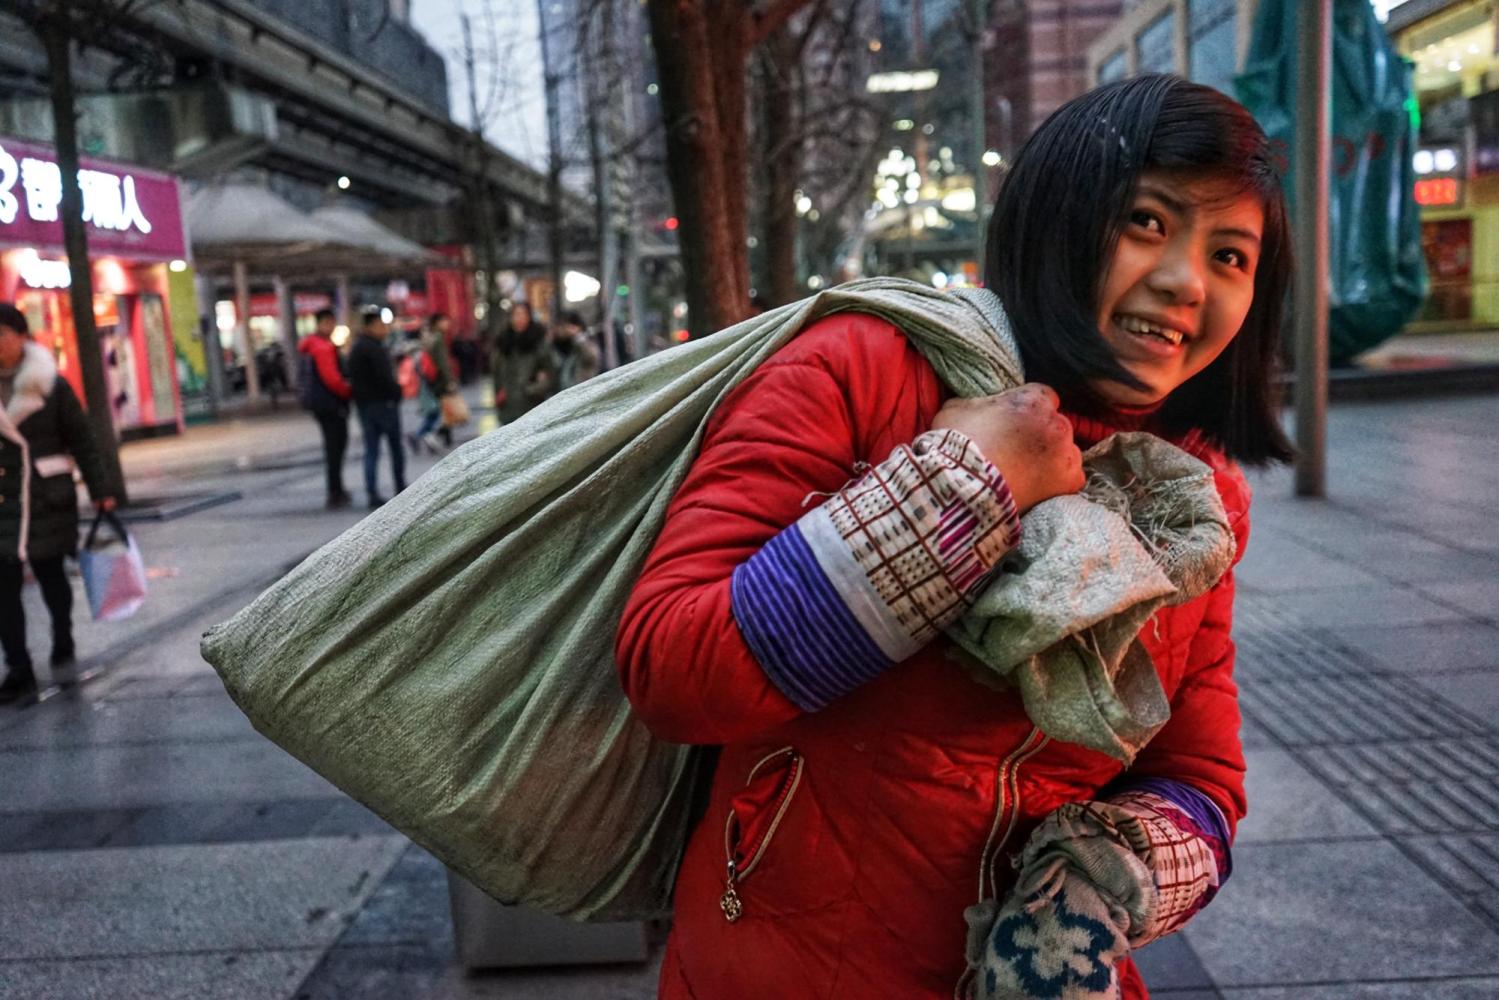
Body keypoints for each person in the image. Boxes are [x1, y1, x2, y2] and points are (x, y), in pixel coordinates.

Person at [615, 75, 1291, 999]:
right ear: (1059, 215)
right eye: (1146, 222)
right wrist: (961, 489)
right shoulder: (860, 369)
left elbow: (1199, 775)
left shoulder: (1194, 502)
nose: (1183, 282)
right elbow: (673, 666)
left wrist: (1097, 885)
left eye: (1230, 256)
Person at [0, 303, 116, 704]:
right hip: (4, 504)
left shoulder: (50, 383)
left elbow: (82, 438)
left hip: (48, 499)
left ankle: (62, 636)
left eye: (3, 334)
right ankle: (18, 667)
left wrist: (101, 488)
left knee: (51, 576)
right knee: (4, 587)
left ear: (22, 336)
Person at [347, 309, 406, 509]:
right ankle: (401, 487)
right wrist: (397, 392)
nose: (385, 330)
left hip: (365, 406)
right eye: (381, 326)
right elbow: (385, 378)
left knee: (371, 450)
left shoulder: (355, 349)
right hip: (383, 405)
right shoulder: (376, 349)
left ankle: (371, 491)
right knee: (395, 448)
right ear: (370, 326)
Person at [298, 309, 353, 509]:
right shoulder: (322, 348)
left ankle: (336, 489)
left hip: (319, 404)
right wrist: (348, 391)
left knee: (332, 447)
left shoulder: (310, 345)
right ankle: (335, 491)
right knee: (336, 447)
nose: (331, 327)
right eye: (329, 323)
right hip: (331, 404)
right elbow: (332, 379)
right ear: (323, 323)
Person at [490, 302, 555, 424]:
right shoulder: (503, 342)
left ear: (529, 317)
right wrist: (499, 392)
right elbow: (496, 372)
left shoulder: (539, 341)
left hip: (532, 404)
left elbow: (550, 372)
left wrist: (534, 389)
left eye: (522, 314)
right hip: (508, 405)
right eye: (515, 315)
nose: (519, 319)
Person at [411, 313, 458, 453]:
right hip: (438, 380)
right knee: (437, 411)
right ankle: (422, 435)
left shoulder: (430, 337)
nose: (447, 324)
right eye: (444, 321)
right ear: (437, 323)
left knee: (438, 410)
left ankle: (430, 436)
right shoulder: (438, 338)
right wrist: (450, 381)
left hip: (431, 379)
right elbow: (443, 363)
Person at [551, 310, 600, 392]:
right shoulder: (561, 347)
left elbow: (592, 356)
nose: (562, 330)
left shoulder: (584, 343)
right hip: (565, 393)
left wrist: (578, 336)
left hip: (583, 391)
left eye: (565, 326)